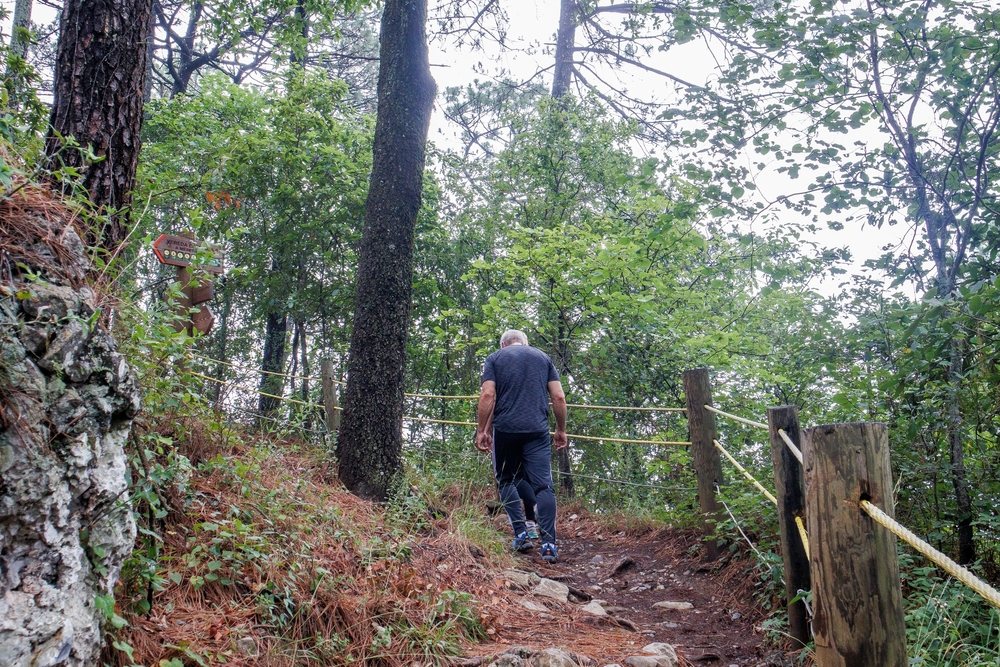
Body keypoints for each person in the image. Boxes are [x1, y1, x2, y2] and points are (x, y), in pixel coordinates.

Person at [475, 329, 568, 562]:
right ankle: (548, 545)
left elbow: (488, 395)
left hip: (505, 430)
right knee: (543, 486)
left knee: (506, 479)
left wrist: (482, 431)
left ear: (504, 344)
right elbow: (558, 397)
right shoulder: (542, 358)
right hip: (537, 430)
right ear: (525, 343)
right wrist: (561, 429)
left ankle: (521, 534)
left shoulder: (495, 358)